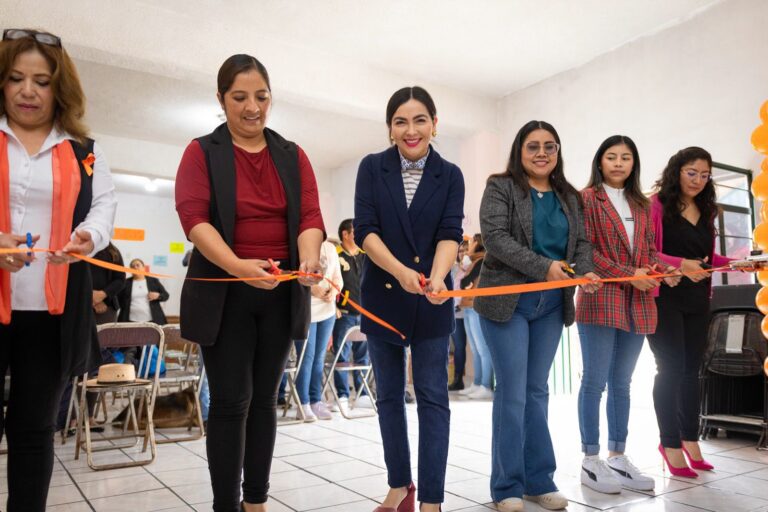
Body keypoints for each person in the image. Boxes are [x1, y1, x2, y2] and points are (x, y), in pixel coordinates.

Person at [175, 54, 324, 512]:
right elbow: (194, 218)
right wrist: (239, 266)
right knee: (230, 401)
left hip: (278, 293)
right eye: (239, 97)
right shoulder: (202, 151)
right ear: (221, 100)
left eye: (261, 96)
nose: (251, 107)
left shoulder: (292, 154)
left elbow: (310, 217)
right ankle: (227, 505)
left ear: (271, 98)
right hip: (225, 293)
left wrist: (309, 256)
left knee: (265, 400)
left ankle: (256, 502)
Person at [0, 28, 116, 511]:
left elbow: (103, 209)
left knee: (33, 430)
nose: (28, 91)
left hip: (50, 314)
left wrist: (87, 237)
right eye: (16, 78)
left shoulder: (84, 151)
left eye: (42, 81)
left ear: (58, 87)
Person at [475, 120, 600, 512]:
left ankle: (538, 480)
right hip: (506, 302)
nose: (542, 152)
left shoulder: (570, 196)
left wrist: (583, 271)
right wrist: (544, 266)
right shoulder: (501, 186)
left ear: (558, 152)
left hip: (550, 305)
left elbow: (582, 242)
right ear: (520, 150)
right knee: (512, 392)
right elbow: (496, 238)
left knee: (536, 391)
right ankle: (507, 487)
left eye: (550, 146)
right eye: (533, 146)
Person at [354, 86, 464, 512]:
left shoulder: (450, 174)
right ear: (390, 128)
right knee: (388, 397)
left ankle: (432, 499)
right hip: (383, 296)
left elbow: (449, 234)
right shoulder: (371, 168)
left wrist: (438, 278)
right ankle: (400, 485)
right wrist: (400, 272)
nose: (411, 129)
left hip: (432, 300)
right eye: (401, 120)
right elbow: (365, 230)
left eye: (420, 119)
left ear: (435, 125)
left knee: (433, 396)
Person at [575, 135, 680, 494]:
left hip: (637, 303)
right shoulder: (587, 199)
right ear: (600, 161)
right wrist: (627, 274)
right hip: (600, 298)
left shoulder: (640, 203)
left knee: (623, 383)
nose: (618, 163)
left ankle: (617, 456)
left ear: (633, 163)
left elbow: (649, 249)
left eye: (625, 158)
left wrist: (656, 269)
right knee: (594, 381)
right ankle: (591, 459)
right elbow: (584, 252)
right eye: (611, 157)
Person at [648, 147, 731, 478]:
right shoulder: (656, 205)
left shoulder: (707, 210)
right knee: (669, 368)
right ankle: (669, 444)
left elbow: (707, 260)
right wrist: (679, 265)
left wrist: (740, 262)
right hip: (664, 297)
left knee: (692, 371)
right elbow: (648, 252)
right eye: (691, 172)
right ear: (676, 171)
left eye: (704, 174)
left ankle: (690, 440)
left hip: (698, 299)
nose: (698, 180)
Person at [294, 240, 342, 421]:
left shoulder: (329, 248)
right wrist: (313, 289)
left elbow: (337, 277)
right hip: (306, 310)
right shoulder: (299, 245)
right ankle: (302, 403)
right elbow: (293, 276)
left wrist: (334, 291)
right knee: (306, 357)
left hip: (327, 310)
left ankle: (315, 400)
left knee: (319, 357)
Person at [332, 218, 372, 408]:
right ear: (345, 234)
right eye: (355, 231)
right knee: (342, 356)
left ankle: (362, 393)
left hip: (364, 313)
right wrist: (335, 307)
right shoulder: (336, 255)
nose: (358, 235)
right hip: (344, 314)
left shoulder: (364, 255)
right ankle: (342, 395)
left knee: (363, 355)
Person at [458, 234, 493, 400]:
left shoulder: (482, 261)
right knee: (475, 348)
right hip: (468, 306)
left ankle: (485, 385)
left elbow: (466, 282)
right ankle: (477, 383)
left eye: (473, 242)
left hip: (476, 306)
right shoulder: (473, 262)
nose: (469, 245)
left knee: (482, 348)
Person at [118, 258, 169, 325]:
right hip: (129, 320)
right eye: (132, 266)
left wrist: (158, 296)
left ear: (143, 267)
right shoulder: (125, 282)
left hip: (152, 320)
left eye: (137, 265)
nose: (135, 267)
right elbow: (117, 298)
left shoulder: (153, 281)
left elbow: (166, 295)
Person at [448, 239, 468, 391]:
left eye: (465, 251)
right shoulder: (454, 268)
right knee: (454, 348)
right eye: (460, 251)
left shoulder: (469, 267)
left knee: (460, 346)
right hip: (452, 311)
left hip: (464, 311)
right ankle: (455, 378)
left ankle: (458, 379)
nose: (462, 254)